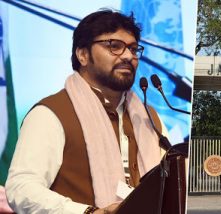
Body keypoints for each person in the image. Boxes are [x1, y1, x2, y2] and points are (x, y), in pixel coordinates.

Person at [5, 10, 166, 214]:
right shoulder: (51, 112)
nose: (128, 56)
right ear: (82, 55)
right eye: (114, 46)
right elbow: (21, 188)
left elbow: (175, 180)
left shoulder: (148, 117)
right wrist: (88, 212)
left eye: (133, 49)